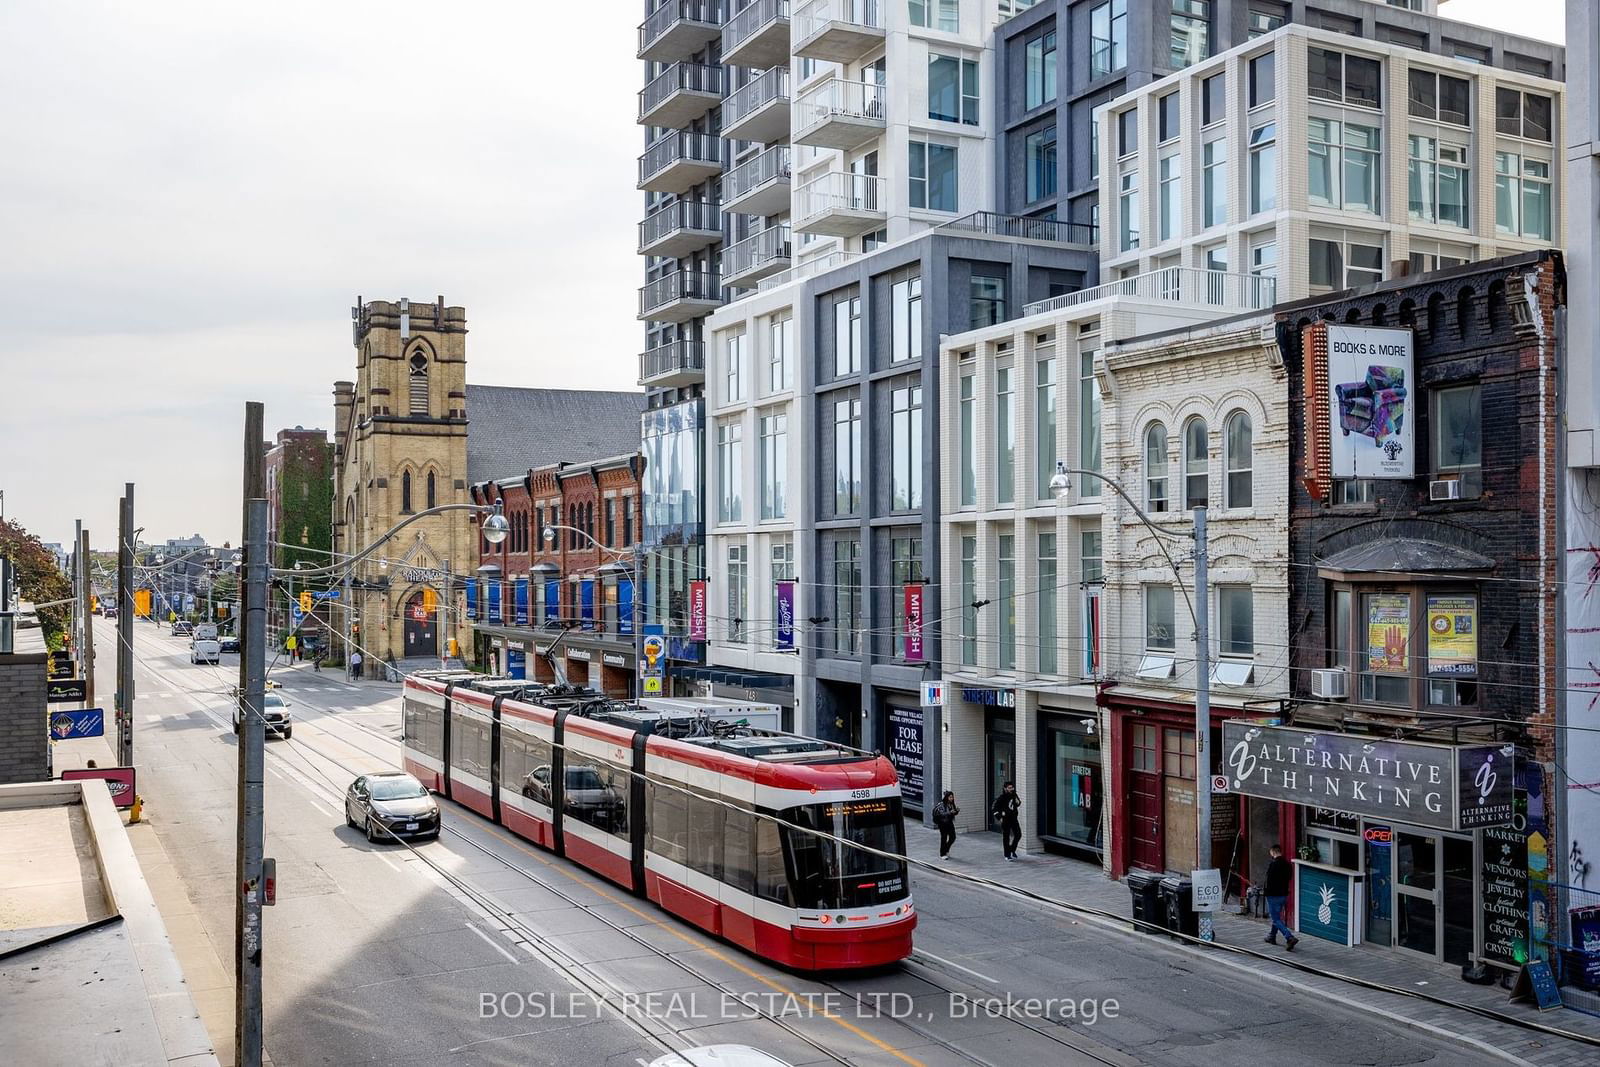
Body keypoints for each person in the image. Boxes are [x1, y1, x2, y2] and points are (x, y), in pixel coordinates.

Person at [1263, 843, 1299, 951]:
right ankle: (1272, 936)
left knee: (1276, 918)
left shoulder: (1273, 865)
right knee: (1277, 917)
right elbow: (1289, 877)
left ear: (1273, 852)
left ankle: (1289, 937)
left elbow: (1268, 881)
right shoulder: (1287, 864)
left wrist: (1265, 891)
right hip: (1283, 895)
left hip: (1273, 895)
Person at [991, 781, 1022, 860]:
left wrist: (1016, 799)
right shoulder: (1001, 798)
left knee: (1018, 834)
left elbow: (1018, 803)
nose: (1011, 789)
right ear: (1005, 789)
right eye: (1009, 788)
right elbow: (994, 808)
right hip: (1006, 819)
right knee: (1006, 837)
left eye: (1012, 787)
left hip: (1014, 818)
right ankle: (1007, 854)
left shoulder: (1014, 795)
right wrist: (1000, 817)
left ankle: (1012, 849)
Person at [932, 791, 960, 859]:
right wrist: (950, 812)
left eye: (952, 797)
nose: (952, 798)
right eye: (950, 797)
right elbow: (942, 814)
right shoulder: (942, 805)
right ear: (947, 797)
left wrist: (956, 812)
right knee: (944, 838)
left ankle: (946, 849)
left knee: (953, 837)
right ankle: (942, 853)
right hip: (942, 823)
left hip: (949, 822)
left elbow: (952, 813)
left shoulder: (951, 804)